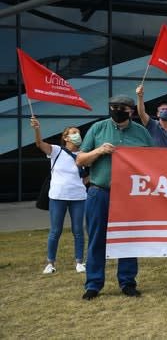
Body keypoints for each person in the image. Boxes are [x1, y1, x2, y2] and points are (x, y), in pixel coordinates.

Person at [76, 95, 154, 300]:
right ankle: (93, 284)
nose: (117, 110)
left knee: (128, 238)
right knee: (96, 238)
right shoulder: (98, 129)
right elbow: (80, 159)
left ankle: (127, 282)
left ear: (131, 111)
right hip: (99, 191)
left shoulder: (141, 132)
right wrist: (99, 151)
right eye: (114, 107)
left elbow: (155, 161)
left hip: (129, 195)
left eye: (122, 108)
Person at [31, 116, 89, 275]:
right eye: (73, 133)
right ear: (66, 137)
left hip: (78, 197)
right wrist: (37, 129)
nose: (77, 135)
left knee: (78, 230)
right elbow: (39, 144)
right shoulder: (56, 150)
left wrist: (79, 184)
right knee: (55, 231)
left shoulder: (84, 154)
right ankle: (50, 263)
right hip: (57, 197)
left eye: (78, 132)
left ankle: (79, 262)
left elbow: (88, 175)